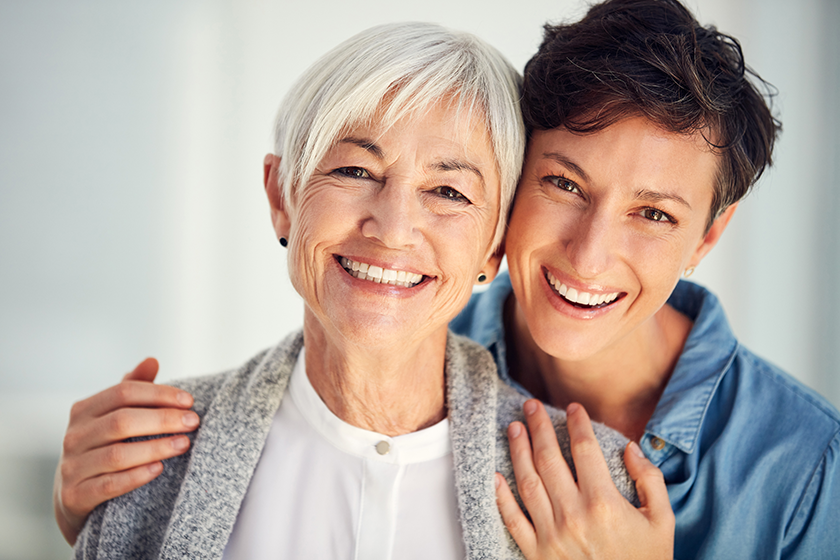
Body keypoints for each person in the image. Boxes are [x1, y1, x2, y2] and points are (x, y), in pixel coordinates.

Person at [54, 22, 670, 560]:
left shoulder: (600, 499)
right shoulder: (140, 466)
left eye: (449, 192)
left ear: (493, 249)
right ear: (281, 198)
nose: (394, 228)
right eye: (354, 171)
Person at [450, 0, 840, 558]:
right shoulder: (416, 357)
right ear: (514, 176)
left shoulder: (810, 466)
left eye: (654, 214)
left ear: (707, 237)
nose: (587, 257)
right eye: (564, 184)